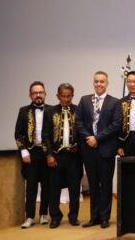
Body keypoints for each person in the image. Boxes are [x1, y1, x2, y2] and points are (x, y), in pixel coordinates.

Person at [75, 71, 120, 228]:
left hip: (106, 150)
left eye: (102, 81)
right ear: (93, 83)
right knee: (93, 185)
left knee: (106, 185)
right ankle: (94, 217)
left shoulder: (114, 102)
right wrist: (89, 138)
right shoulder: (84, 100)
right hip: (89, 150)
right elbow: (78, 122)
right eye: (96, 81)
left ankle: (105, 217)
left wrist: (97, 138)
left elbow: (115, 125)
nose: (99, 84)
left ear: (107, 83)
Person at [42, 83, 82, 228]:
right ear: (58, 96)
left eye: (69, 96)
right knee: (54, 188)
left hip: (74, 157)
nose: (66, 99)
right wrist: (49, 155)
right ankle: (55, 217)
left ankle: (73, 216)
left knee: (75, 188)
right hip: (56, 156)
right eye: (63, 96)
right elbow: (45, 135)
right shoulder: (50, 111)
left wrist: (78, 146)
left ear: (73, 95)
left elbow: (84, 133)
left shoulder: (79, 110)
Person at [15, 81, 51, 228]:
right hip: (31, 153)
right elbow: (18, 134)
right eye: (35, 93)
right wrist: (23, 151)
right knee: (31, 187)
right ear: (30, 95)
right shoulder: (23, 111)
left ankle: (43, 214)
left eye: (40, 92)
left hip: (47, 153)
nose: (38, 95)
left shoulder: (51, 110)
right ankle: (29, 217)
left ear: (45, 94)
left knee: (47, 185)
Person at [117, 71, 135, 157]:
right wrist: (118, 146)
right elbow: (117, 125)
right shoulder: (120, 102)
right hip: (125, 140)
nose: (132, 84)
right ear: (126, 83)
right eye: (129, 81)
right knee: (125, 168)